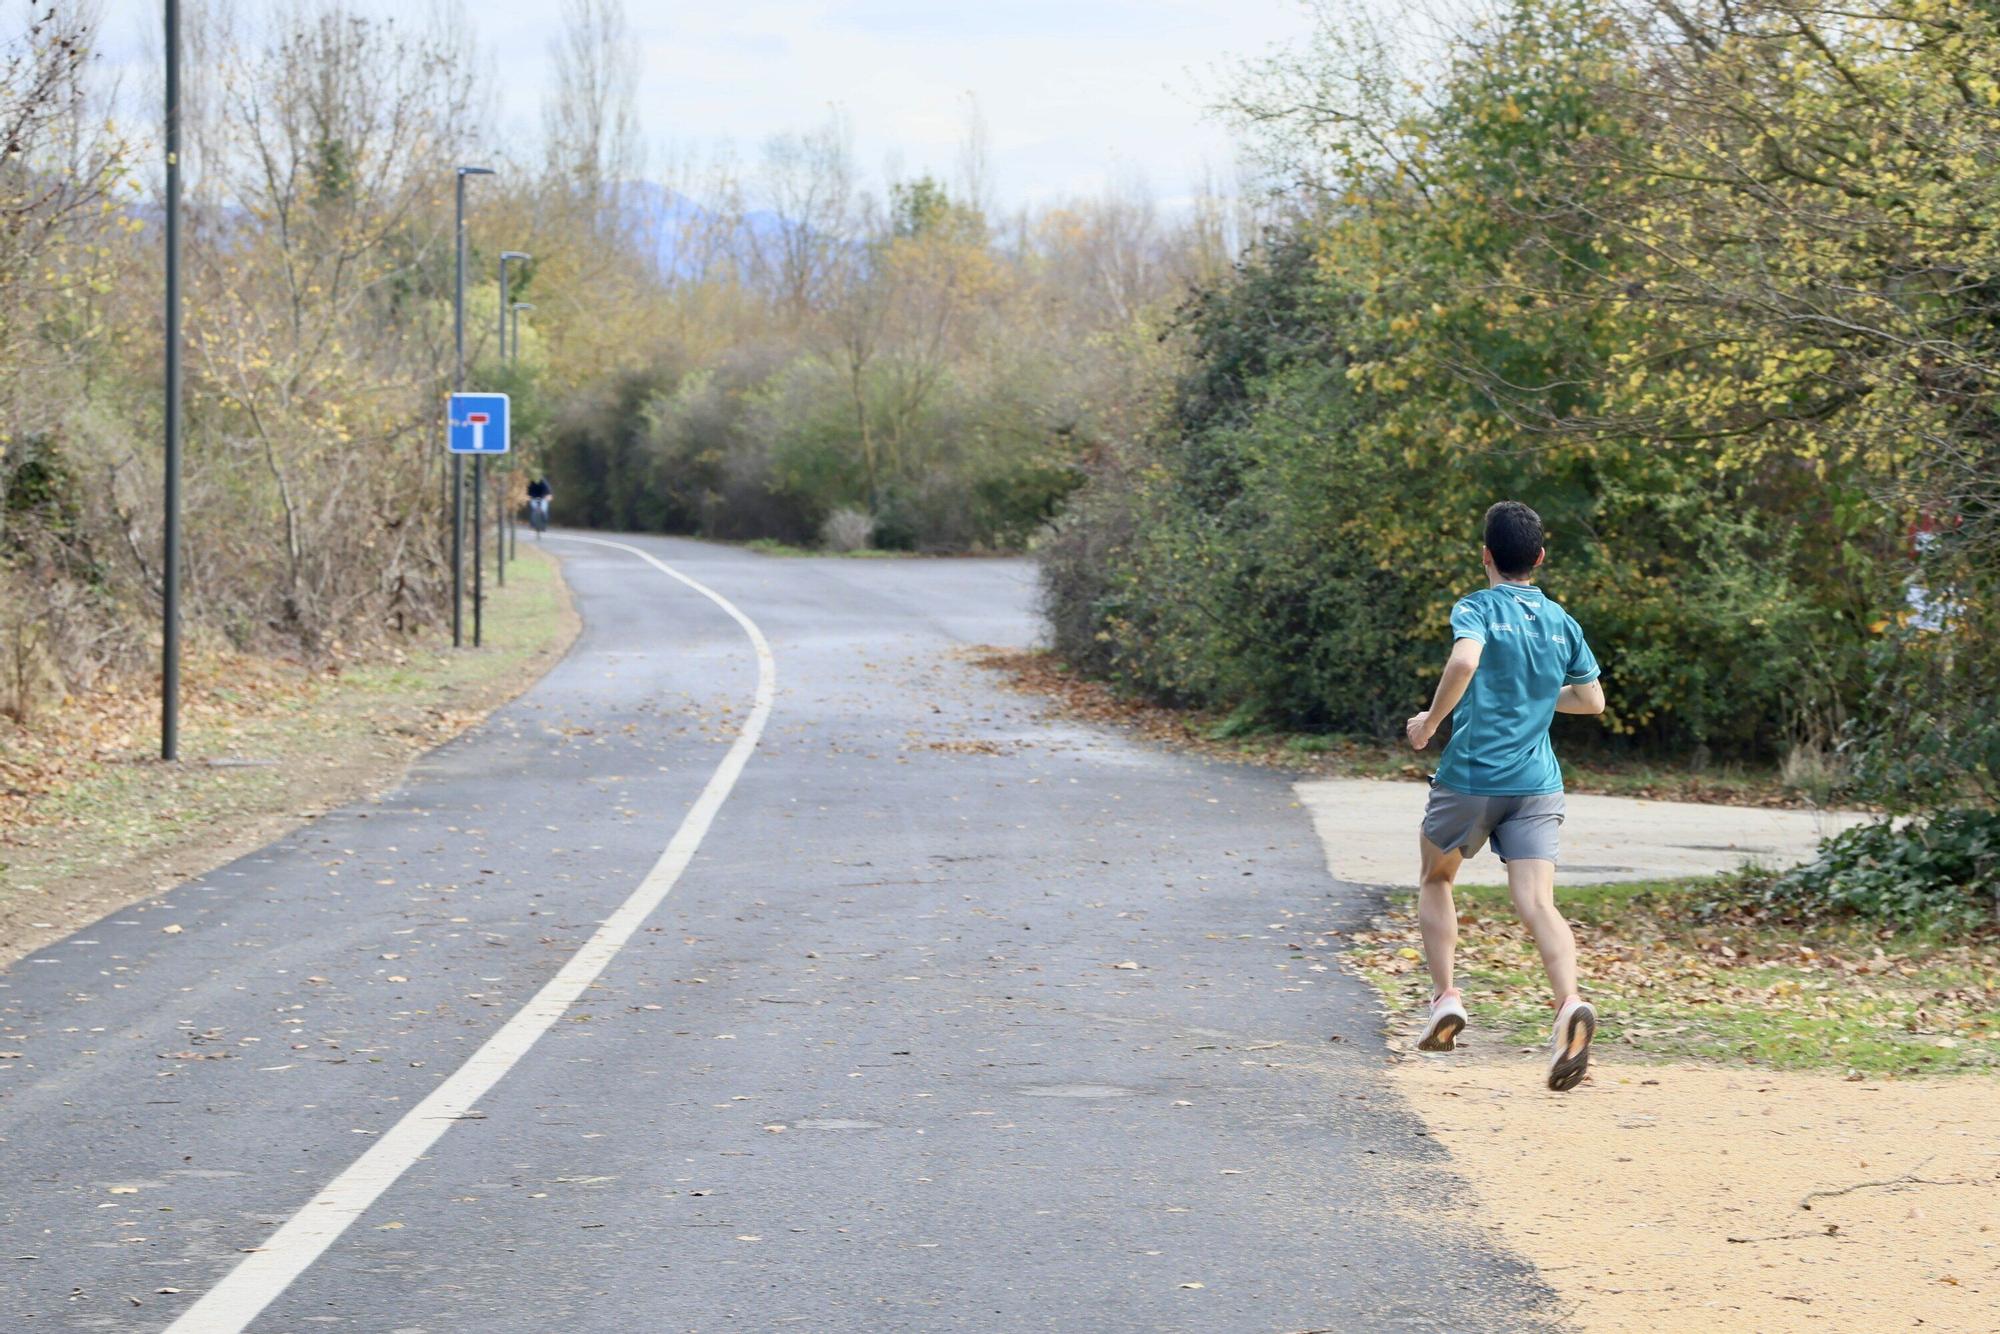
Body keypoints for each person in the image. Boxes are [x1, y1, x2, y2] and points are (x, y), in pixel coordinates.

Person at [1403, 501, 1606, 1091]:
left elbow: (1465, 659)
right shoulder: (1562, 621)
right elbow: (1592, 701)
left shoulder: (1477, 607)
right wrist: (1538, 700)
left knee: (1437, 878)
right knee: (1538, 902)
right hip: (1537, 784)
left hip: (1470, 778)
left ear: (1486, 555)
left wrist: (1429, 723)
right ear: (1539, 558)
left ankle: (1446, 999)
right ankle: (1569, 1004)